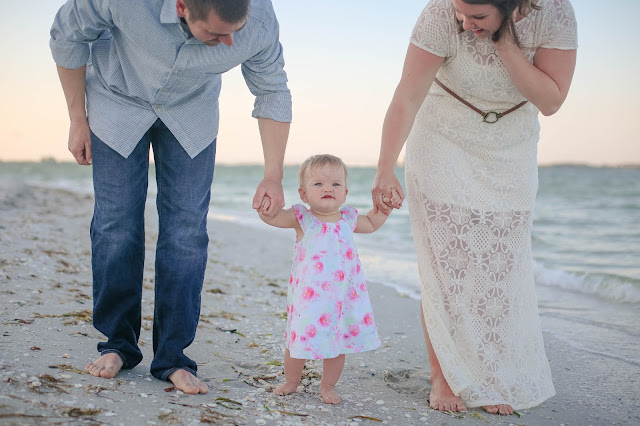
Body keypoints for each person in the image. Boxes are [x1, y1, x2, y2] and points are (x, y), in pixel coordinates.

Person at [49, 0, 292, 394]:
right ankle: (117, 345)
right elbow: (67, 34)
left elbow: (273, 89)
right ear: (182, 7)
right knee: (116, 226)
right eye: (216, 34)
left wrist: (273, 175)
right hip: (117, 99)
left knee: (186, 235)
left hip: (190, 113)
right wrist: (78, 119)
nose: (231, 41)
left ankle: (174, 357)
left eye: (235, 29)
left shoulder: (258, 21)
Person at [371, 0, 577, 416]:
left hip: (511, 146)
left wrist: (505, 43)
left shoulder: (555, 13)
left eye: (477, 17)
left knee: (501, 263)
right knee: (446, 262)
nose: (465, 25)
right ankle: (443, 375)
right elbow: (407, 96)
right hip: (443, 134)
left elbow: (552, 100)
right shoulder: (439, 15)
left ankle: (489, 372)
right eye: (461, 14)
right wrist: (385, 168)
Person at [258, 154, 394, 404]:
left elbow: (373, 223)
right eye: (318, 184)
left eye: (335, 184)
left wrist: (384, 209)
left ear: (345, 193)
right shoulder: (302, 219)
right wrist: (266, 208)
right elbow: (273, 218)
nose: (328, 188)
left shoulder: (349, 220)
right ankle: (291, 380)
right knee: (297, 341)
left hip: (343, 299)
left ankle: (328, 385)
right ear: (303, 194)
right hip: (309, 301)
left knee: (337, 344)